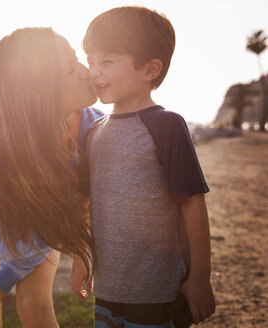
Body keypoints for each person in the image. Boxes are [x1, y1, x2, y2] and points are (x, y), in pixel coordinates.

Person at [0, 27, 103, 328]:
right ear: (36, 92)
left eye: (77, 59)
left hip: (43, 222)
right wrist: (2, 279)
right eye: (70, 69)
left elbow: (79, 207)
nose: (86, 72)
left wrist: (5, 278)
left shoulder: (95, 128)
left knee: (33, 306)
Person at [71, 6, 216, 328]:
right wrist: (80, 258)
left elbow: (192, 202)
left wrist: (200, 278)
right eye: (91, 60)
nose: (94, 71)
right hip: (108, 288)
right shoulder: (93, 132)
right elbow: (84, 202)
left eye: (107, 61)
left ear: (150, 69)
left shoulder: (166, 126)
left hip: (158, 291)